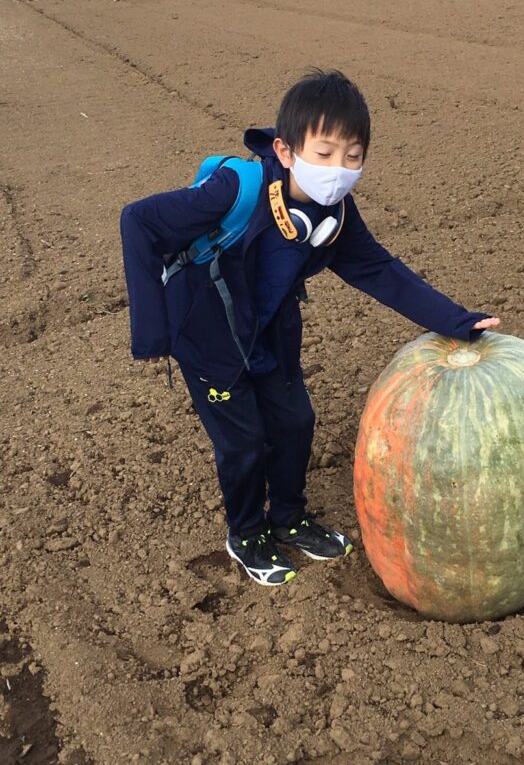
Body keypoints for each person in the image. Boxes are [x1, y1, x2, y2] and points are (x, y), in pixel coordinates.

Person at [120, 70, 500, 587]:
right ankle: (247, 533)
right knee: (244, 442)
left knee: (296, 424)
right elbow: (137, 220)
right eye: (324, 153)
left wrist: (459, 321)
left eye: (353, 156)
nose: (339, 169)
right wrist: (153, 332)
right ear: (285, 149)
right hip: (207, 333)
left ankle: (290, 518)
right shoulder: (237, 189)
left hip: (272, 332)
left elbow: (378, 270)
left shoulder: (337, 212)